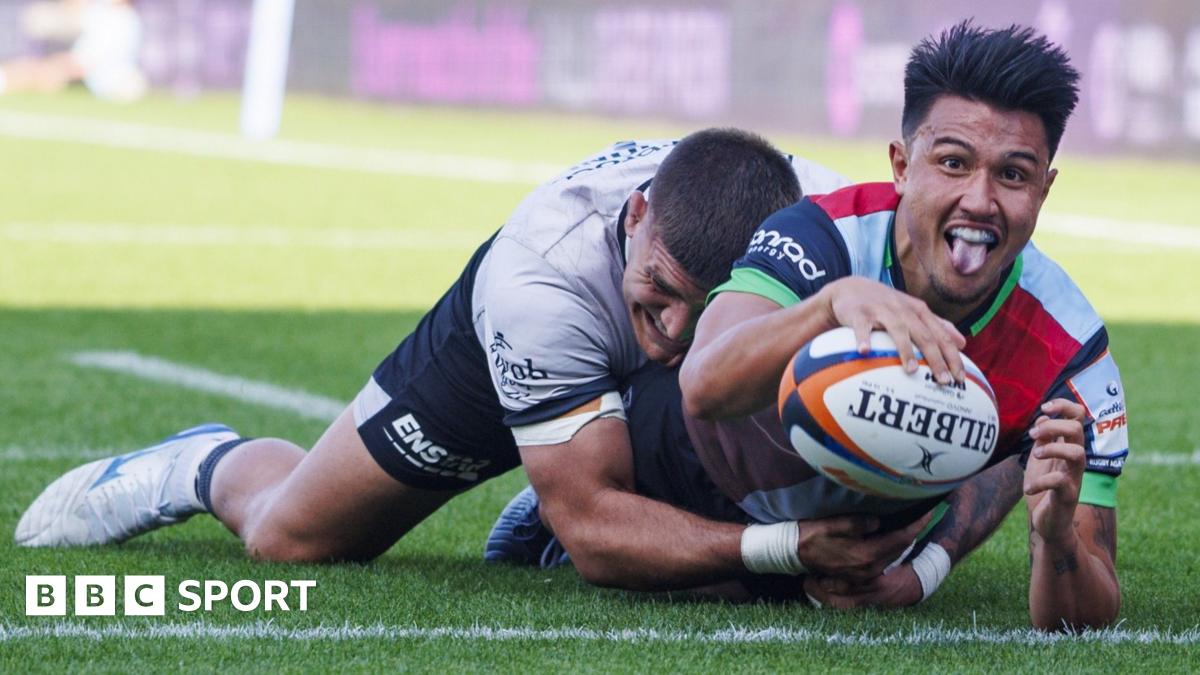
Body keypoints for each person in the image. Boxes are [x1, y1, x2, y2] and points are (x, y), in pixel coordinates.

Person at [17, 128, 873, 591]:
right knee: (293, 539)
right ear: (638, 214)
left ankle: (546, 506)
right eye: (660, 289)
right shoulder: (540, 280)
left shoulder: (823, 228)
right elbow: (598, 531)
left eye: (707, 304)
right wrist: (786, 545)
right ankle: (204, 462)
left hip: (645, 362)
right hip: (519, 341)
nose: (677, 330)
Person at [491, 22, 1125, 630]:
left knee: (1014, 441)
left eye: (1012, 175)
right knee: (715, 576)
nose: (980, 200)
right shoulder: (823, 233)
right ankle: (552, 524)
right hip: (694, 471)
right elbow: (703, 382)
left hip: (864, 527)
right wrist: (828, 306)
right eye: (954, 163)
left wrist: (1049, 536)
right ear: (902, 167)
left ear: (1044, 189)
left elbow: (1083, 619)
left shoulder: (1072, 352)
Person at [1, 0, 146, 103]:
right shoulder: (102, 11)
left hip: (103, 80)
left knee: (48, 73)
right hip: (90, 73)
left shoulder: (121, 20)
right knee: (44, 69)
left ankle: (6, 81)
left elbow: (86, 62)